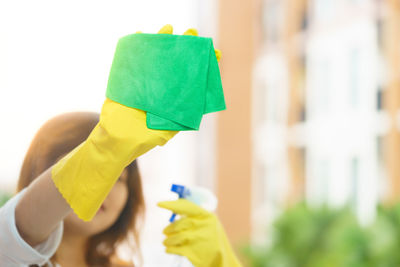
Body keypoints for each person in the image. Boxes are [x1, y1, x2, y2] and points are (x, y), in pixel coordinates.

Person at [0, 111, 241, 267]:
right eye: (87, 169)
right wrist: (105, 148)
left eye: (117, 176)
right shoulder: (10, 254)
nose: (102, 185)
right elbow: (21, 229)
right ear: (39, 175)